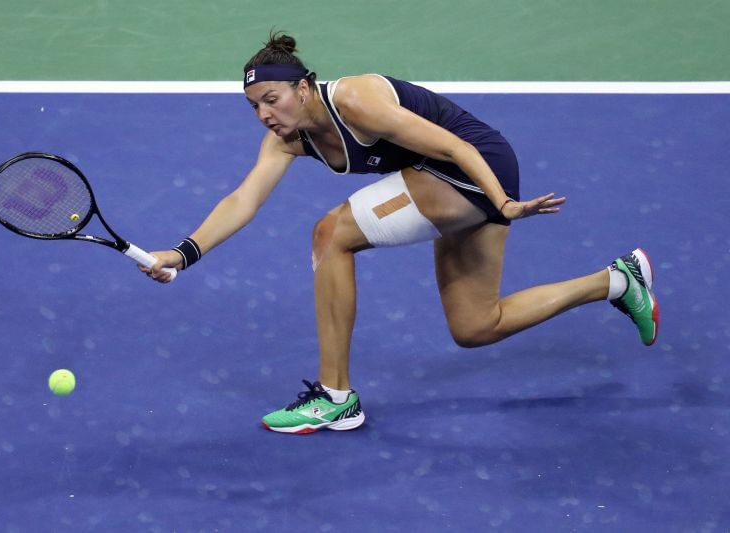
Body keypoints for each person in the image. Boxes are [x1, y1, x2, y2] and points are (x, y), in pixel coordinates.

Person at [140, 32, 659, 435]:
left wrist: (501, 202)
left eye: (271, 99)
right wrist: (184, 254)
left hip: (476, 168)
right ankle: (617, 281)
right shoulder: (286, 141)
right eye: (254, 106)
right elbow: (243, 200)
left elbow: (455, 148)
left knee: (331, 233)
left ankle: (336, 398)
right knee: (475, 326)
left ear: (303, 87)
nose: (264, 115)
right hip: (448, 179)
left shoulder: (357, 100)